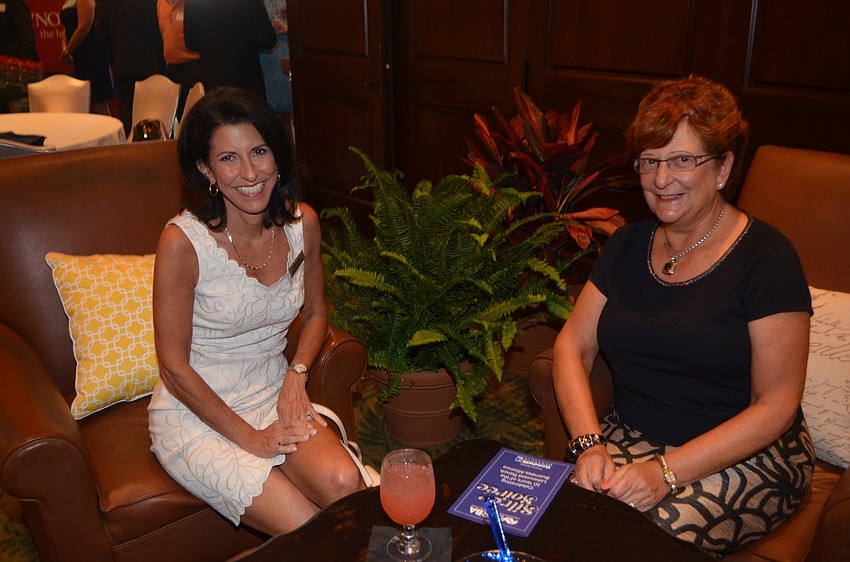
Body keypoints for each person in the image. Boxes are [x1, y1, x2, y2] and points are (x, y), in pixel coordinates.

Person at [552, 75, 813, 557]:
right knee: (552, 528)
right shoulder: (627, 244)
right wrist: (588, 444)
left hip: (743, 454)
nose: (660, 178)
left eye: (682, 160)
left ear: (723, 167)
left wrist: (667, 471)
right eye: (650, 161)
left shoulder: (767, 258)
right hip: (628, 438)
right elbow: (572, 345)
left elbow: (776, 404)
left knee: (638, 547)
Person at [148, 87, 365, 534]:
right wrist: (250, 438)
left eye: (259, 152)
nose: (249, 173)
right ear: (206, 169)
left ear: (278, 156)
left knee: (347, 486)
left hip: (272, 391)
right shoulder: (182, 243)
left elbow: (317, 314)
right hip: (196, 412)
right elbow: (173, 367)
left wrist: (297, 372)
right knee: (310, 531)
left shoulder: (303, 222)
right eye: (228, 159)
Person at [183, 0, 276, 99]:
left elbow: (191, 43)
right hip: (245, 76)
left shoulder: (192, 2)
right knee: (249, 112)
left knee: (217, 112)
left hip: (212, 76)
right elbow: (267, 40)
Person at [96, 0, 164, 133]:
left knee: (128, 117)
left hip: (123, 60)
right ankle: (155, 151)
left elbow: (100, 29)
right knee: (156, 116)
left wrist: (112, 57)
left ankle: (131, 151)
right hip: (151, 60)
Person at [60, 0, 115, 115]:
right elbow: (67, 28)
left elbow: (84, 26)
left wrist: (68, 50)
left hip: (91, 54)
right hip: (79, 55)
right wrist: (65, 48)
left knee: (97, 101)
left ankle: (110, 132)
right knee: (85, 101)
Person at [156, 0, 200, 120]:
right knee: (176, 117)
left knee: (194, 117)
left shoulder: (192, 5)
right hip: (171, 70)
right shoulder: (160, 3)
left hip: (193, 68)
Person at [259, 0, 292, 122]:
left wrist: (286, 28)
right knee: (265, 112)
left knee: (285, 113)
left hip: (285, 52)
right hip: (264, 58)